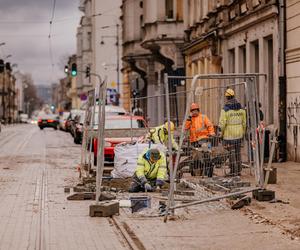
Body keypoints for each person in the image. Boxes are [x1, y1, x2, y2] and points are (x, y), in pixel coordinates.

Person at [218, 88, 246, 176]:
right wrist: (243, 133)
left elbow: (222, 123)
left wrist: (220, 134)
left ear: (226, 97)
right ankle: (239, 170)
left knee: (231, 153)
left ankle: (233, 170)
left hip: (229, 135)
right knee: (238, 152)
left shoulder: (225, 109)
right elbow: (244, 123)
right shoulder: (241, 109)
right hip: (239, 134)